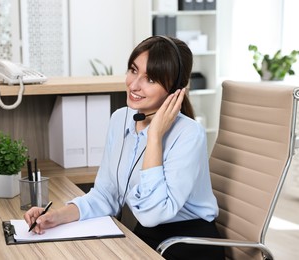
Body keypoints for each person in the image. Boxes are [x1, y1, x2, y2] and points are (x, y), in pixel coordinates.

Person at [24, 36, 225, 259]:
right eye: (133, 70)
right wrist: (56, 216)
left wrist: (155, 136)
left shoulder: (189, 134)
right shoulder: (121, 119)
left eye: (150, 79)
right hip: (147, 235)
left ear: (174, 90)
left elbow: (152, 214)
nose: (134, 84)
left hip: (189, 242)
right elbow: (105, 194)